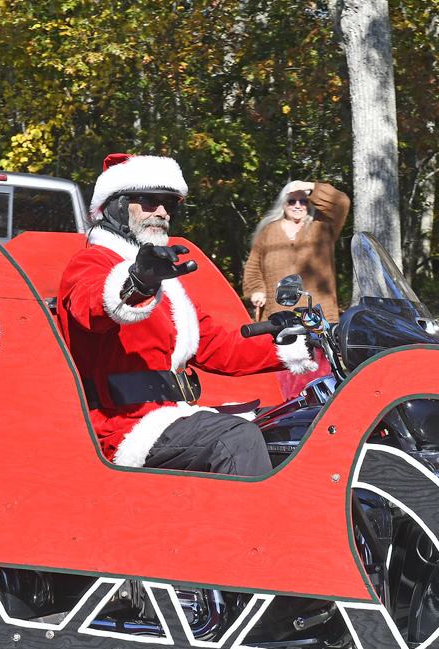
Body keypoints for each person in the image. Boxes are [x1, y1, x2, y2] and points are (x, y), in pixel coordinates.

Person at [58, 153, 315, 476]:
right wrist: (137, 283)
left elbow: (220, 349)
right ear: (116, 206)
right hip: (124, 428)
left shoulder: (163, 282)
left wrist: (304, 342)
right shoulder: (92, 264)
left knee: (291, 426)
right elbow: (92, 306)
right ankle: (257, 528)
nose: (163, 211)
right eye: (150, 201)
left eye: (170, 203)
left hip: (174, 416)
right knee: (235, 438)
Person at [242, 180, 350, 322]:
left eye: (303, 201)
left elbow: (341, 202)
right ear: (283, 204)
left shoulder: (324, 226)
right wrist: (257, 291)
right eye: (292, 201)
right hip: (277, 315)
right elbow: (253, 268)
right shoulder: (268, 232)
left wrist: (310, 186)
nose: (297, 206)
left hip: (318, 315)